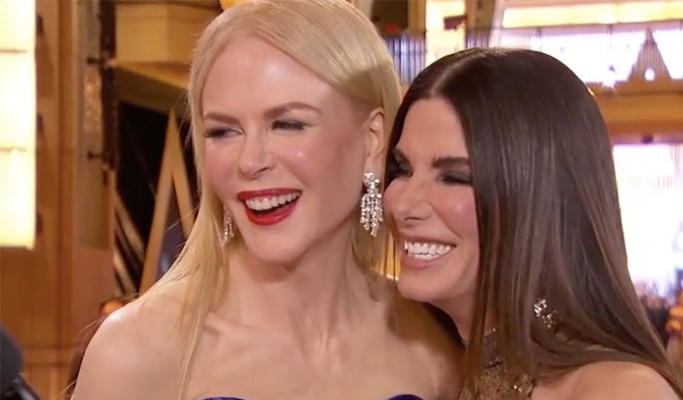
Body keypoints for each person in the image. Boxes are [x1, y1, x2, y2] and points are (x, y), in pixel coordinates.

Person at [72, 1, 460, 400]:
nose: (250, 161)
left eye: (288, 124)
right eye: (223, 131)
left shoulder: (437, 341)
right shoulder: (135, 352)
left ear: (373, 139)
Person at [383, 47, 683, 400]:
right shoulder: (444, 370)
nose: (402, 203)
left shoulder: (617, 390)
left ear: (541, 198)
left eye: (453, 177)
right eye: (402, 169)